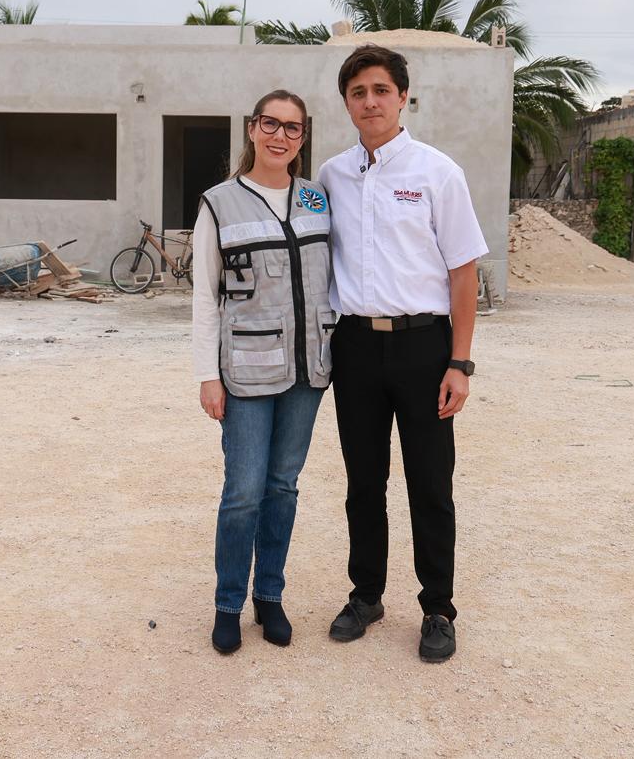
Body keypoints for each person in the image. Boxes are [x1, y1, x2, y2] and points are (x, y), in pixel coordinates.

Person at [319, 45, 487, 663]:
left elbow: (463, 272)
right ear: (346, 103)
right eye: (359, 92)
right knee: (363, 482)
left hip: (424, 347)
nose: (370, 101)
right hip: (355, 347)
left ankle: (438, 607)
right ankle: (366, 595)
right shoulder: (331, 177)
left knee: (430, 484)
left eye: (381, 90)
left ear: (403, 97)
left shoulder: (437, 172)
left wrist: (459, 363)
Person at [192, 90, 334, 654]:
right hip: (245, 374)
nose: (280, 136)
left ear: (303, 138)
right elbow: (206, 297)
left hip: (308, 372)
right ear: (252, 129)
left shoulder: (318, 199)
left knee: (283, 487)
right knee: (244, 492)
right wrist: (208, 374)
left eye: (293, 128)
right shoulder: (219, 203)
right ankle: (229, 603)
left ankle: (268, 596)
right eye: (270, 124)